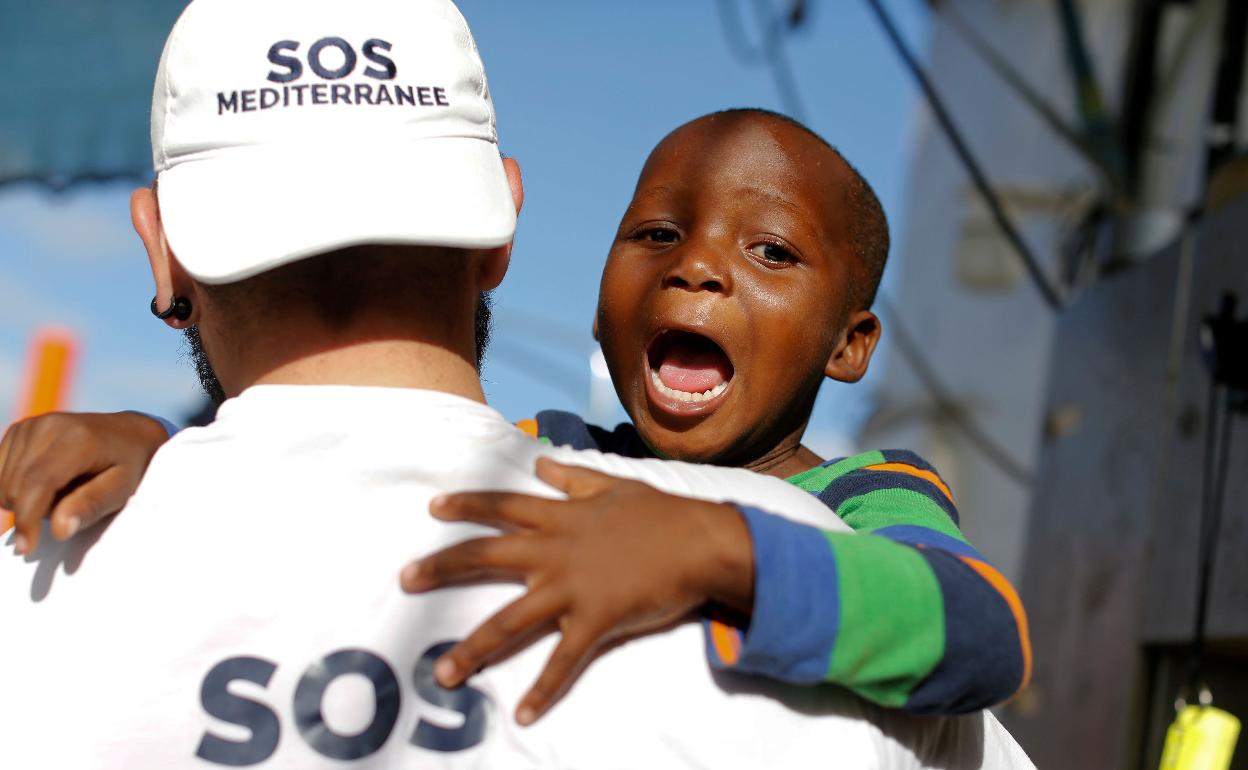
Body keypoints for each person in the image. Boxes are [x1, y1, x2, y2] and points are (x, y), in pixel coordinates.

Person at [0, 2, 1034, 766]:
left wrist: (721, 548)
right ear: (504, 228)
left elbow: (988, 625)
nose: (698, 267)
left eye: (770, 253)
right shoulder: (562, 446)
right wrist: (167, 449)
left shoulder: (862, 502)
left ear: (161, 255)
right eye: (658, 234)